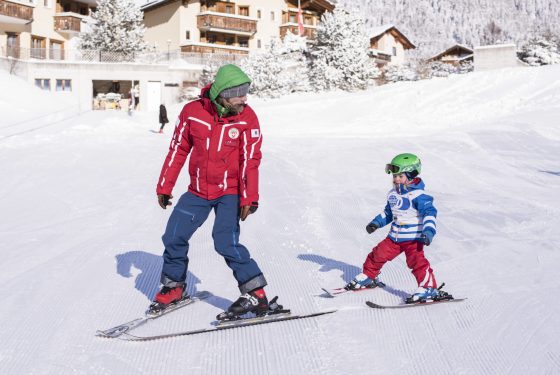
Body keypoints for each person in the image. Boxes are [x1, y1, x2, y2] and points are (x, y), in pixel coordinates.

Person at [152, 64, 270, 319]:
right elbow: (178, 149)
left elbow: (251, 160)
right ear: (222, 92)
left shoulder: (247, 118)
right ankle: (174, 286)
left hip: (230, 191)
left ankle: (256, 294)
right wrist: (165, 185)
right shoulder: (192, 113)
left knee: (225, 242)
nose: (244, 98)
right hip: (197, 190)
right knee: (174, 235)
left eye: (246, 91)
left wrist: (250, 196)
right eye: (238, 92)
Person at [345, 153, 451, 303]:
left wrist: (428, 232)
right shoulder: (392, 194)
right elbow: (388, 213)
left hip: (414, 238)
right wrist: (376, 223)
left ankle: (428, 288)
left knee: (417, 263)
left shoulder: (419, 195)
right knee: (378, 254)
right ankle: (368, 276)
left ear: (411, 175)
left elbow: (429, 214)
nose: (396, 179)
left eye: (400, 176)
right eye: (394, 176)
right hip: (394, 237)